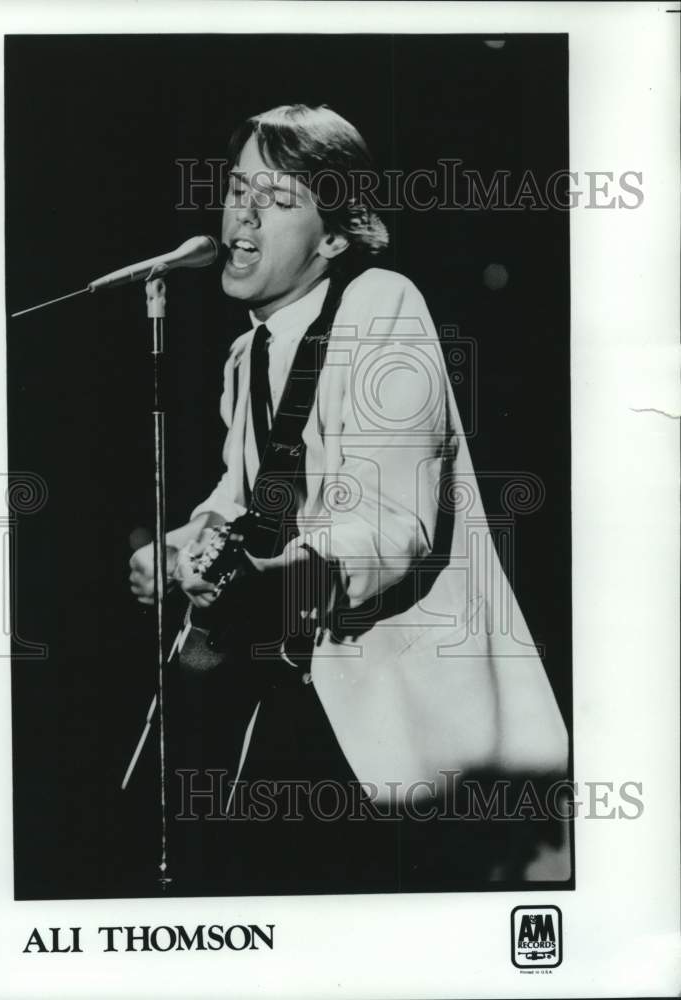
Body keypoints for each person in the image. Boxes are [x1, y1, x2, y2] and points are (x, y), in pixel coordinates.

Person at [129, 104, 569, 893]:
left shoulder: (379, 307)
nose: (243, 213)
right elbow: (251, 494)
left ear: (334, 235)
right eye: (237, 188)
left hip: (410, 732)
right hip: (305, 697)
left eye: (281, 197)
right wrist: (181, 544)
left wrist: (281, 582)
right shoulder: (247, 353)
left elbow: (392, 527)